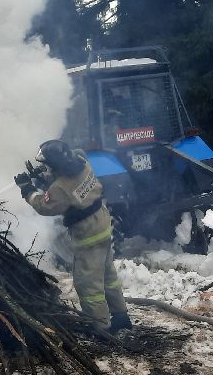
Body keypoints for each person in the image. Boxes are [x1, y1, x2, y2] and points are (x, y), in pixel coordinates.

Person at [15, 140, 131, 334]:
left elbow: (44, 206)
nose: (46, 168)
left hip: (88, 235)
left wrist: (28, 190)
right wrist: (45, 179)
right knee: (107, 275)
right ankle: (121, 316)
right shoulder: (81, 160)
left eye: (48, 165)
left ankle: (100, 327)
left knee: (88, 283)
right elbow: (70, 189)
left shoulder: (60, 188)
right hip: (102, 223)